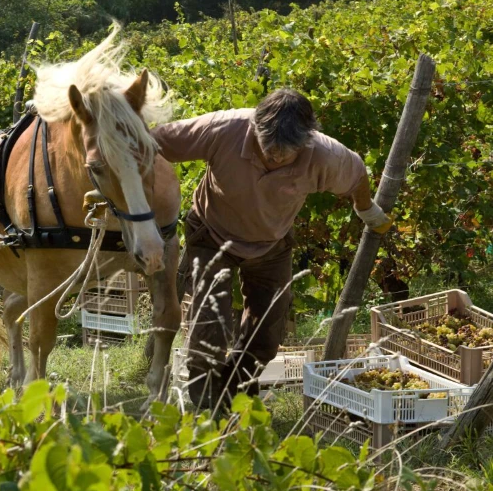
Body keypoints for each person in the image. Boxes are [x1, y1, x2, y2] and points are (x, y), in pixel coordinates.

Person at [151, 88, 392, 411]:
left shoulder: (325, 156)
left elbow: (356, 174)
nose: (274, 157)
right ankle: (205, 404)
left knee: (266, 335)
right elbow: (152, 141)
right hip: (211, 234)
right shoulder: (225, 128)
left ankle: (236, 388)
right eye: (268, 149)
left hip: (271, 242)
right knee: (210, 326)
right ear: (254, 128)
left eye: (284, 153)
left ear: (307, 140)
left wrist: (366, 210)